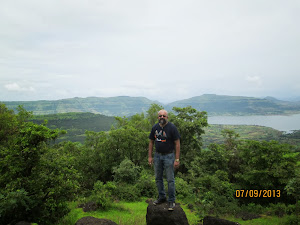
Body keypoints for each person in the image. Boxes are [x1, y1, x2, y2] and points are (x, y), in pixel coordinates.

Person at [148, 109, 180, 211]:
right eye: (160, 116)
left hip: (169, 156)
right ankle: (162, 197)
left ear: (167, 117)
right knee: (158, 178)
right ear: (158, 117)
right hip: (157, 156)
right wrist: (150, 156)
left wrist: (177, 159)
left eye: (164, 116)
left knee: (170, 179)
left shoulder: (172, 128)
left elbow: (177, 143)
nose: (162, 117)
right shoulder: (155, 127)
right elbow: (151, 142)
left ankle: (171, 200)